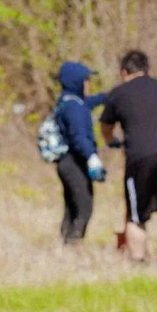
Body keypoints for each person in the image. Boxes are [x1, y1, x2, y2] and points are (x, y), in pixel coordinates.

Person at [91, 49, 157, 263]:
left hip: (141, 158)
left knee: (137, 216)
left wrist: (111, 141)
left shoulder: (119, 92)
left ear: (124, 72)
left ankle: (138, 261)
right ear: (147, 70)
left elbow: (105, 124)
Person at [50, 59, 105, 243]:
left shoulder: (69, 101)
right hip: (74, 161)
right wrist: (92, 157)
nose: (88, 84)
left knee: (71, 205)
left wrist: (110, 96)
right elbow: (79, 136)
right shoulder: (74, 108)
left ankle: (66, 242)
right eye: (85, 80)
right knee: (84, 205)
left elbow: (89, 102)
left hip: (67, 162)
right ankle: (73, 243)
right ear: (77, 82)